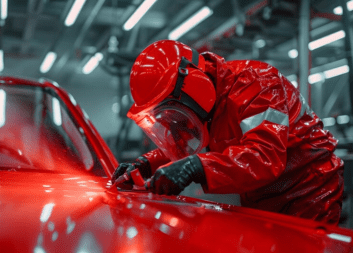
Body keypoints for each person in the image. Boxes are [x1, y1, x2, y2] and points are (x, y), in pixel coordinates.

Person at [111, 40, 344, 225]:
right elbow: (186, 146)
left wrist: (196, 167)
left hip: (309, 192)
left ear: (192, 86)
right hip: (261, 196)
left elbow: (264, 158)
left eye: (172, 113)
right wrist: (144, 163)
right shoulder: (203, 108)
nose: (175, 124)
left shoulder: (259, 85)